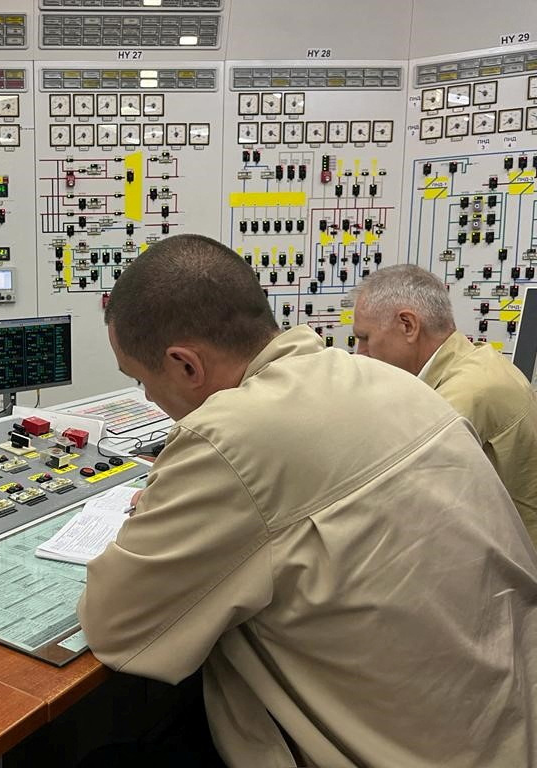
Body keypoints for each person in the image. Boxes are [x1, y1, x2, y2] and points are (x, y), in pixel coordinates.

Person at [77, 234, 537, 767]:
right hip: (506, 727)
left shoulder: (227, 436)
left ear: (186, 365)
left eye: (142, 380)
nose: (150, 400)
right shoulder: (387, 380)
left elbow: (116, 627)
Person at [352, 264, 537, 544]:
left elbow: (396, 500)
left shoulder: (462, 395)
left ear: (408, 326)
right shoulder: (475, 364)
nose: (360, 354)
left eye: (365, 338)